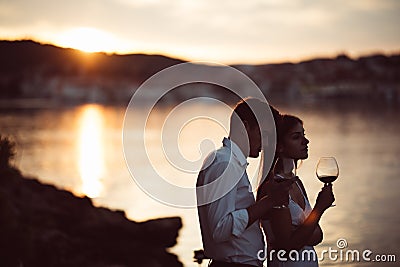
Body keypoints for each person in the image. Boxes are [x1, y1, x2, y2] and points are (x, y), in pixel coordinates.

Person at [196, 98, 292, 267]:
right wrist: (269, 202)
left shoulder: (232, 163)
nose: (266, 141)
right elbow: (220, 229)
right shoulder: (225, 164)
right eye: (263, 133)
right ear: (245, 127)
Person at [257, 114, 335, 267]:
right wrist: (319, 208)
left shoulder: (296, 183)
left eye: (304, 135)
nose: (306, 141)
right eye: (296, 137)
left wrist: (300, 232)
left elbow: (317, 235)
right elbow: (287, 248)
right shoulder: (274, 188)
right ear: (279, 146)